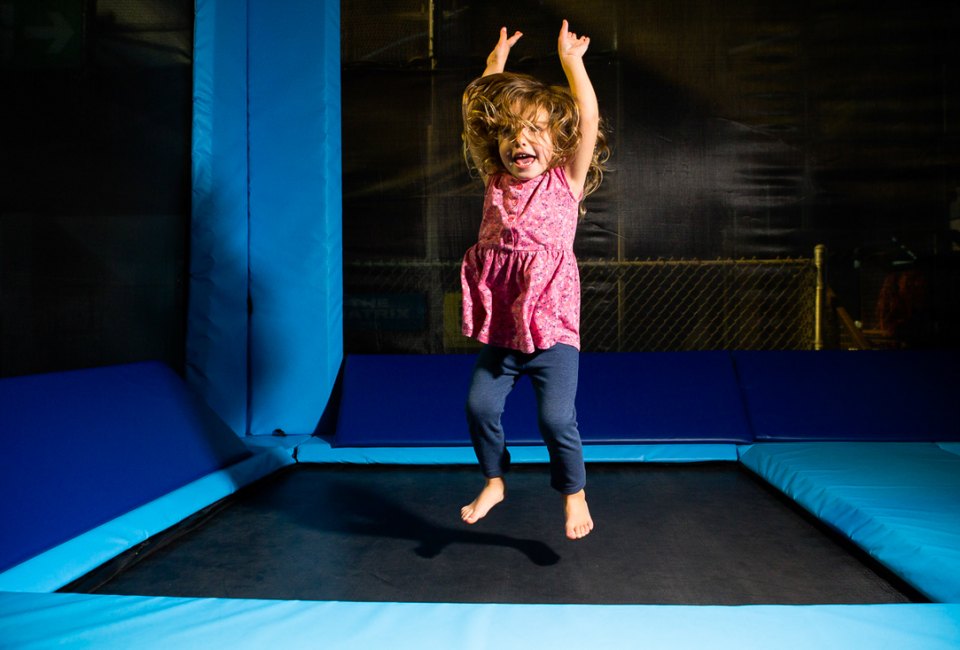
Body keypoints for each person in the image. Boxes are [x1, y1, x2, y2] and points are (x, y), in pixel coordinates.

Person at [458, 21, 608, 540]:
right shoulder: (495, 181)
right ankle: (495, 480)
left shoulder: (565, 183)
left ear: (556, 144)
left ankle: (574, 493)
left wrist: (572, 62)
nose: (519, 142)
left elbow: (587, 117)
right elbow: (476, 113)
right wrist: (492, 68)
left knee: (555, 419)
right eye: (509, 134)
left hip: (553, 329)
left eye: (534, 133)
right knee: (479, 405)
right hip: (503, 327)